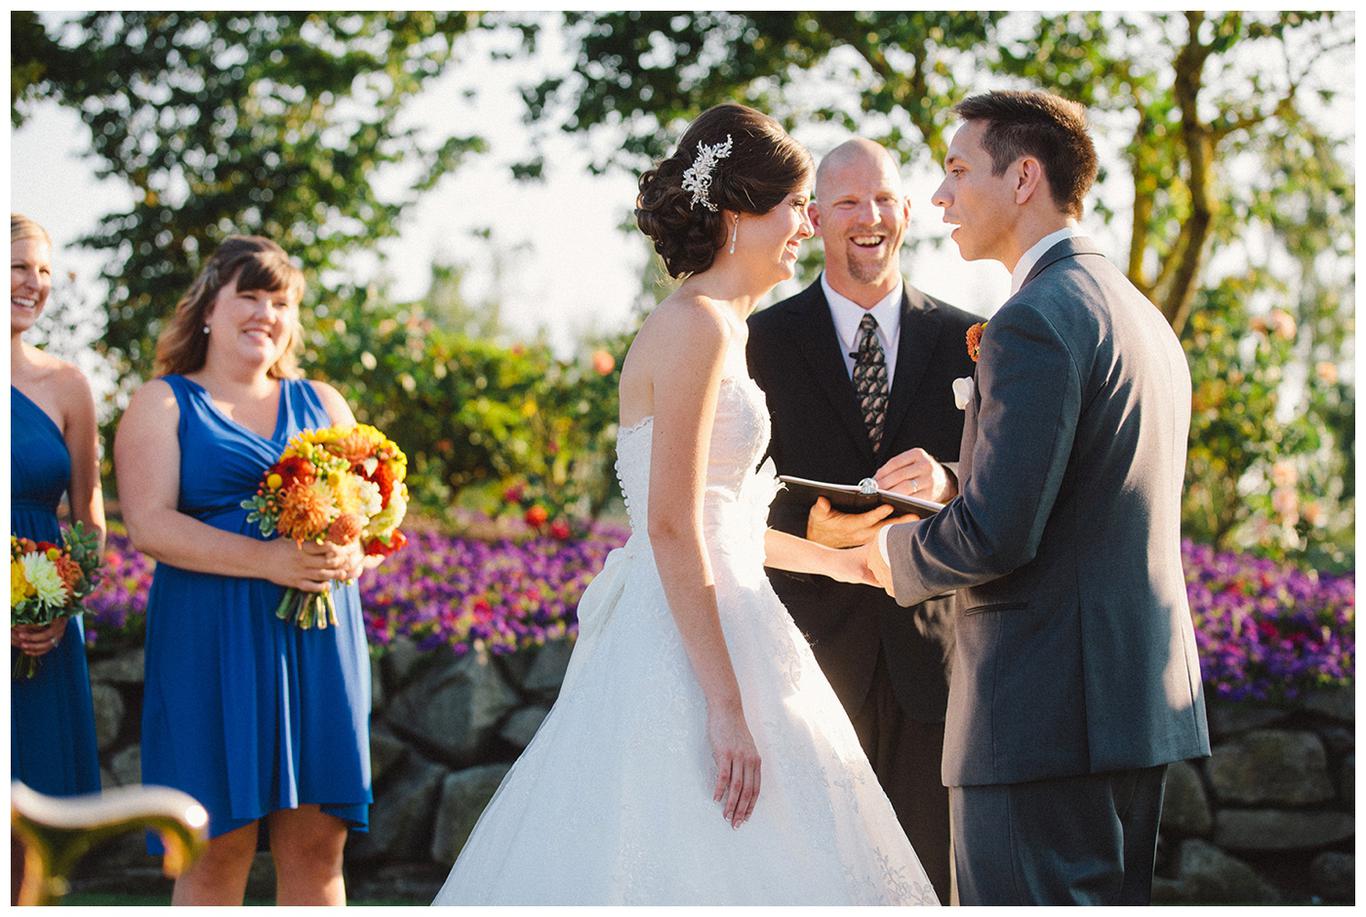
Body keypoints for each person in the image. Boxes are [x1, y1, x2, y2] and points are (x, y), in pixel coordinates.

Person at [433, 103, 937, 906]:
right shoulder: (696, 327)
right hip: (689, 643)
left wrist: (843, 563)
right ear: (739, 213)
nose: (807, 224)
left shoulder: (724, 328)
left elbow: (723, 521)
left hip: (727, 610)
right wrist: (727, 706)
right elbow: (670, 525)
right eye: (795, 205)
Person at [867, 89, 1211, 905]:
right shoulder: (1137, 313)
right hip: (1136, 705)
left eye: (958, 170)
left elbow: (996, 534)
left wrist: (887, 553)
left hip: (1038, 719)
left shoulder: (1033, 319)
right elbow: (1087, 489)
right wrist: (956, 480)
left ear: (1024, 178)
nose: (940, 196)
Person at [747, 138, 980, 901]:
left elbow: (1011, 477)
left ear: (907, 211)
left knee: (925, 885)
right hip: (805, 657)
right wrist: (805, 529)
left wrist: (949, 478)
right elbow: (725, 490)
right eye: (847, 201)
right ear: (815, 219)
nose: (868, 216)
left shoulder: (974, 338)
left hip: (932, 661)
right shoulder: (757, 340)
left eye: (883, 198)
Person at [115, 236, 375, 905]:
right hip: (210, 642)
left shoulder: (325, 402)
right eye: (250, 296)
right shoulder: (163, 403)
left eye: (281, 302)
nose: (266, 313)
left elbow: (367, 518)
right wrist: (270, 560)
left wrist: (354, 552)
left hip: (317, 642)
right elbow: (149, 524)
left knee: (318, 848)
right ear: (209, 307)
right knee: (214, 848)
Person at [10, 213, 103, 797]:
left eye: (44, 270)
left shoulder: (68, 385)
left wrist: (65, 606)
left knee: (41, 813)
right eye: (18, 266)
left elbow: (89, 516)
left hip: (42, 634)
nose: (34, 283)